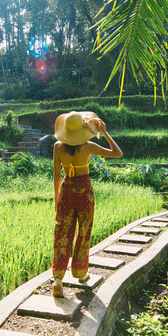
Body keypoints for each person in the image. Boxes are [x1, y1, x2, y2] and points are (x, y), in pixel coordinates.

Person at [51, 111, 123, 297]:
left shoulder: (58, 147)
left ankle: (58, 277)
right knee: (84, 231)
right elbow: (118, 153)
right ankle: (80, 273)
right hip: (84, 192)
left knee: (62, 232)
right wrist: (105, 133)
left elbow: (57, 175)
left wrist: (57, 198)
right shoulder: (89, 146)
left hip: (66, 190)